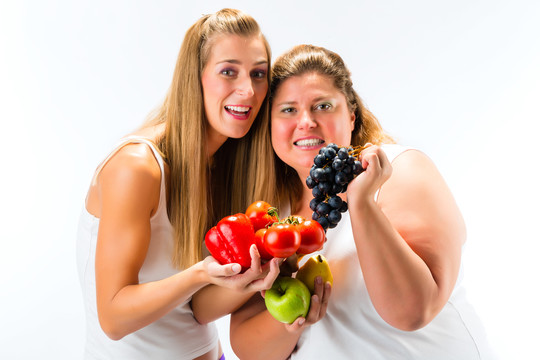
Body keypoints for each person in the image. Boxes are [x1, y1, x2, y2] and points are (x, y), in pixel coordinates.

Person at [230, 44, 496, 359]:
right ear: (270, 127)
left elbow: (414, 311)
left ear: (352, 116)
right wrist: (296, 318)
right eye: (288, 109)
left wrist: (362, 202)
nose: (306, 122)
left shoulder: (399, 170)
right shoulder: (276, 214)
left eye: (323, 106)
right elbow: (249, 349)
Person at [76, 9, 282, 360]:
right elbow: (112, 317)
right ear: (195, 77)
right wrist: (199, 272)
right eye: (228, 71)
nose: (248, 90)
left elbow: (198, 310)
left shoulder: (221, 166)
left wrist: (250, 278)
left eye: (258, 74)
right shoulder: (137, 167)